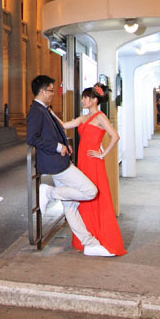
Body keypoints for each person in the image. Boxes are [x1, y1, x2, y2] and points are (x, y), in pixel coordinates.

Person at [24, 74, 114, 257]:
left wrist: (65, 144)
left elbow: (57, 131)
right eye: (51, 90)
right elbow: (31, 138)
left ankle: (89, 244)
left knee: (70, 207)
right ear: (42, 91)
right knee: (90, 191)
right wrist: (58, 147)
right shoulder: (36, 111)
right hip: (56, 164)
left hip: (60, 160)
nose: (53, 94)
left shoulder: (45, 109)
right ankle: (50, 193)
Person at [57, 84, 126, 256]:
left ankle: (102, 239)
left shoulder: (100, 116)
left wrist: (103, 154)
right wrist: (49, 113)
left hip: (94, 163)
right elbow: (64, 125)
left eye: (86, 98)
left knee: (97, 198)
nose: (83, 100)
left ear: (94, 100)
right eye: (83, 98)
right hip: (83, 162)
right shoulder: (83, 118)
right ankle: (88, 239)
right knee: (84, 198)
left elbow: (115, 136)